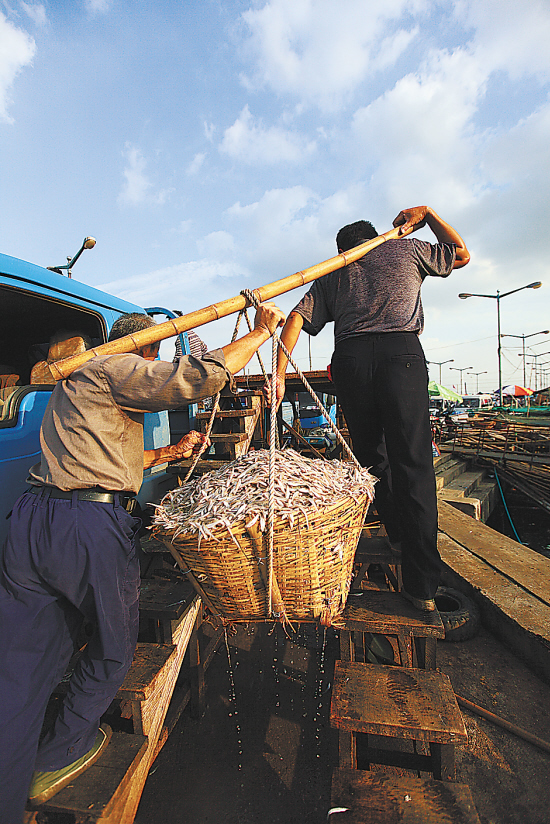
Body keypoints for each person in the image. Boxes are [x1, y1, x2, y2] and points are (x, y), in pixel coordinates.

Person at [0, 303, 285, 822]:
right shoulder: (116, 364)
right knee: (113, 646)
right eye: (154, 355)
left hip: (33, 518)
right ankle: (59, 754)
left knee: (20, 662)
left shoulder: (75, 384)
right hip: (86, 529)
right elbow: (198, 378)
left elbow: (100, 459)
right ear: (148, 347)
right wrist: (263, 331)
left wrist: (169, 453)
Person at [271, 205, 469, 612]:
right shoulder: (407, 250)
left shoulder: (333, 270)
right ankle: (421, 586)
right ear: (376, 235)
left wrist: (277, 374)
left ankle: (397, 530)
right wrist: (428, 214)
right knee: (412, 462)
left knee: (371, 456)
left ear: (343, 247)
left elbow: (294, 318)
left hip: (352, 359)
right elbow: (460, 253)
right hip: (402, 355)